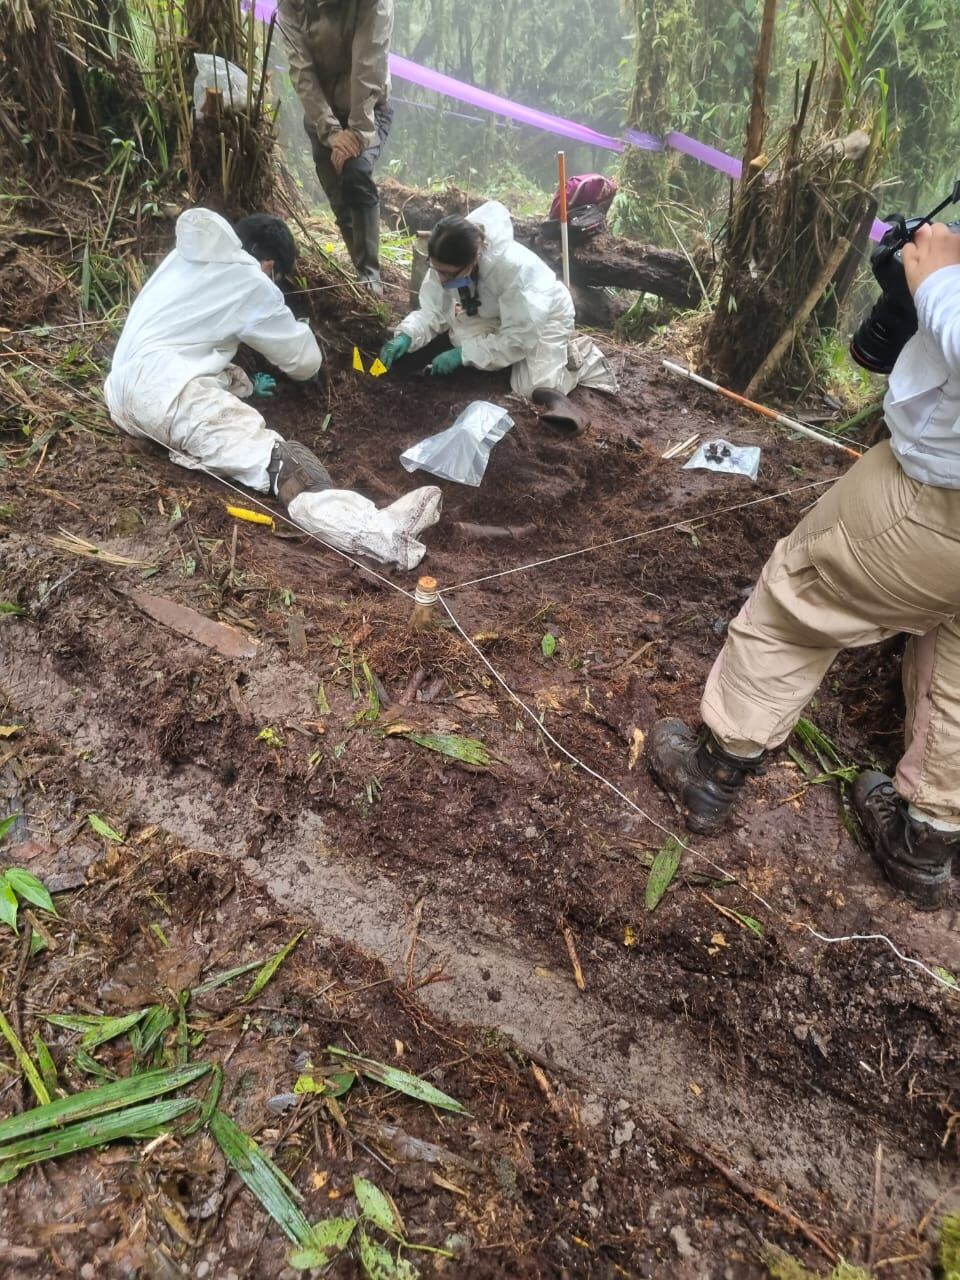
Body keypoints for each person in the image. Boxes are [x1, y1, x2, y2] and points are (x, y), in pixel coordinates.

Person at [646, 221, 960, 911]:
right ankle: (926, 842)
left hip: (934, 504)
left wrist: (937, 281)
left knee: (798, 600)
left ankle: (715, 768)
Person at [105, 208, 441, 569]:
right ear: (268, 265)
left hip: (122, 393)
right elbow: (304, 361)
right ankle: (382, 535)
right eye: (277, 277)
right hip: (167, 395)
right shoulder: (251, 280)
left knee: (210, 416)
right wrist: (294, 326)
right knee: (288, 467)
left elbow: (189, 344)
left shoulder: (182, 260)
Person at [378, 201, 619, 429]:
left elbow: (518, 338)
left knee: (531, 387)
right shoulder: (448, 260)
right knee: (461, 338)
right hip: (496, 312)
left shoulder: (514, 271)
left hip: (544, 315)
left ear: (474, 260)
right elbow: (433, 311)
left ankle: (579, 358)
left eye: (449, 274)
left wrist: (464, 354)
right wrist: (407, 335)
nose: (441, 279)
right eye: (437, 270)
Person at [278, 0, 393, 296]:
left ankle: (371, 274)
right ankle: (362, 273)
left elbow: (368, 64)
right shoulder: (291, 4)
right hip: (320, 115)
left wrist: (355, 132)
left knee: (356, 173)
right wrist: (329, 130)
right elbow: (300, 69)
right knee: (339, 194)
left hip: (366, 108)